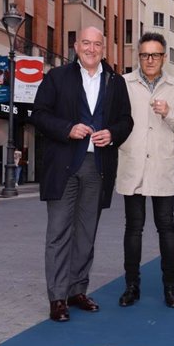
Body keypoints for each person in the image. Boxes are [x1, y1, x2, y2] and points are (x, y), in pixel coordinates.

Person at [31, 26, 133, 322]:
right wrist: (67, 129)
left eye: (97, 44)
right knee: (59, 232)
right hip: (64, 165)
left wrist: (112, 134)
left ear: (104, 48)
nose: (91, 49)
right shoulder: (56, 77)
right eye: (86, 43)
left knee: (86, 233)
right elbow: (38, 114)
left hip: (97, 167)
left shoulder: (115, 82)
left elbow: (126, 120)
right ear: (76, 47)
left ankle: (77, 290)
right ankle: (58, 297)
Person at [115, 32, 174, 309]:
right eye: (145, 54)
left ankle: (171, 286)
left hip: (160, 165)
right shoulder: (123, 83)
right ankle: (131, 285)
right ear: (138, 56)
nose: (149, 60)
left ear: (164, 57)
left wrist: (168, 112)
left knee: (166, 228)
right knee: (133, 228)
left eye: (155, 55)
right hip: (132, 163)